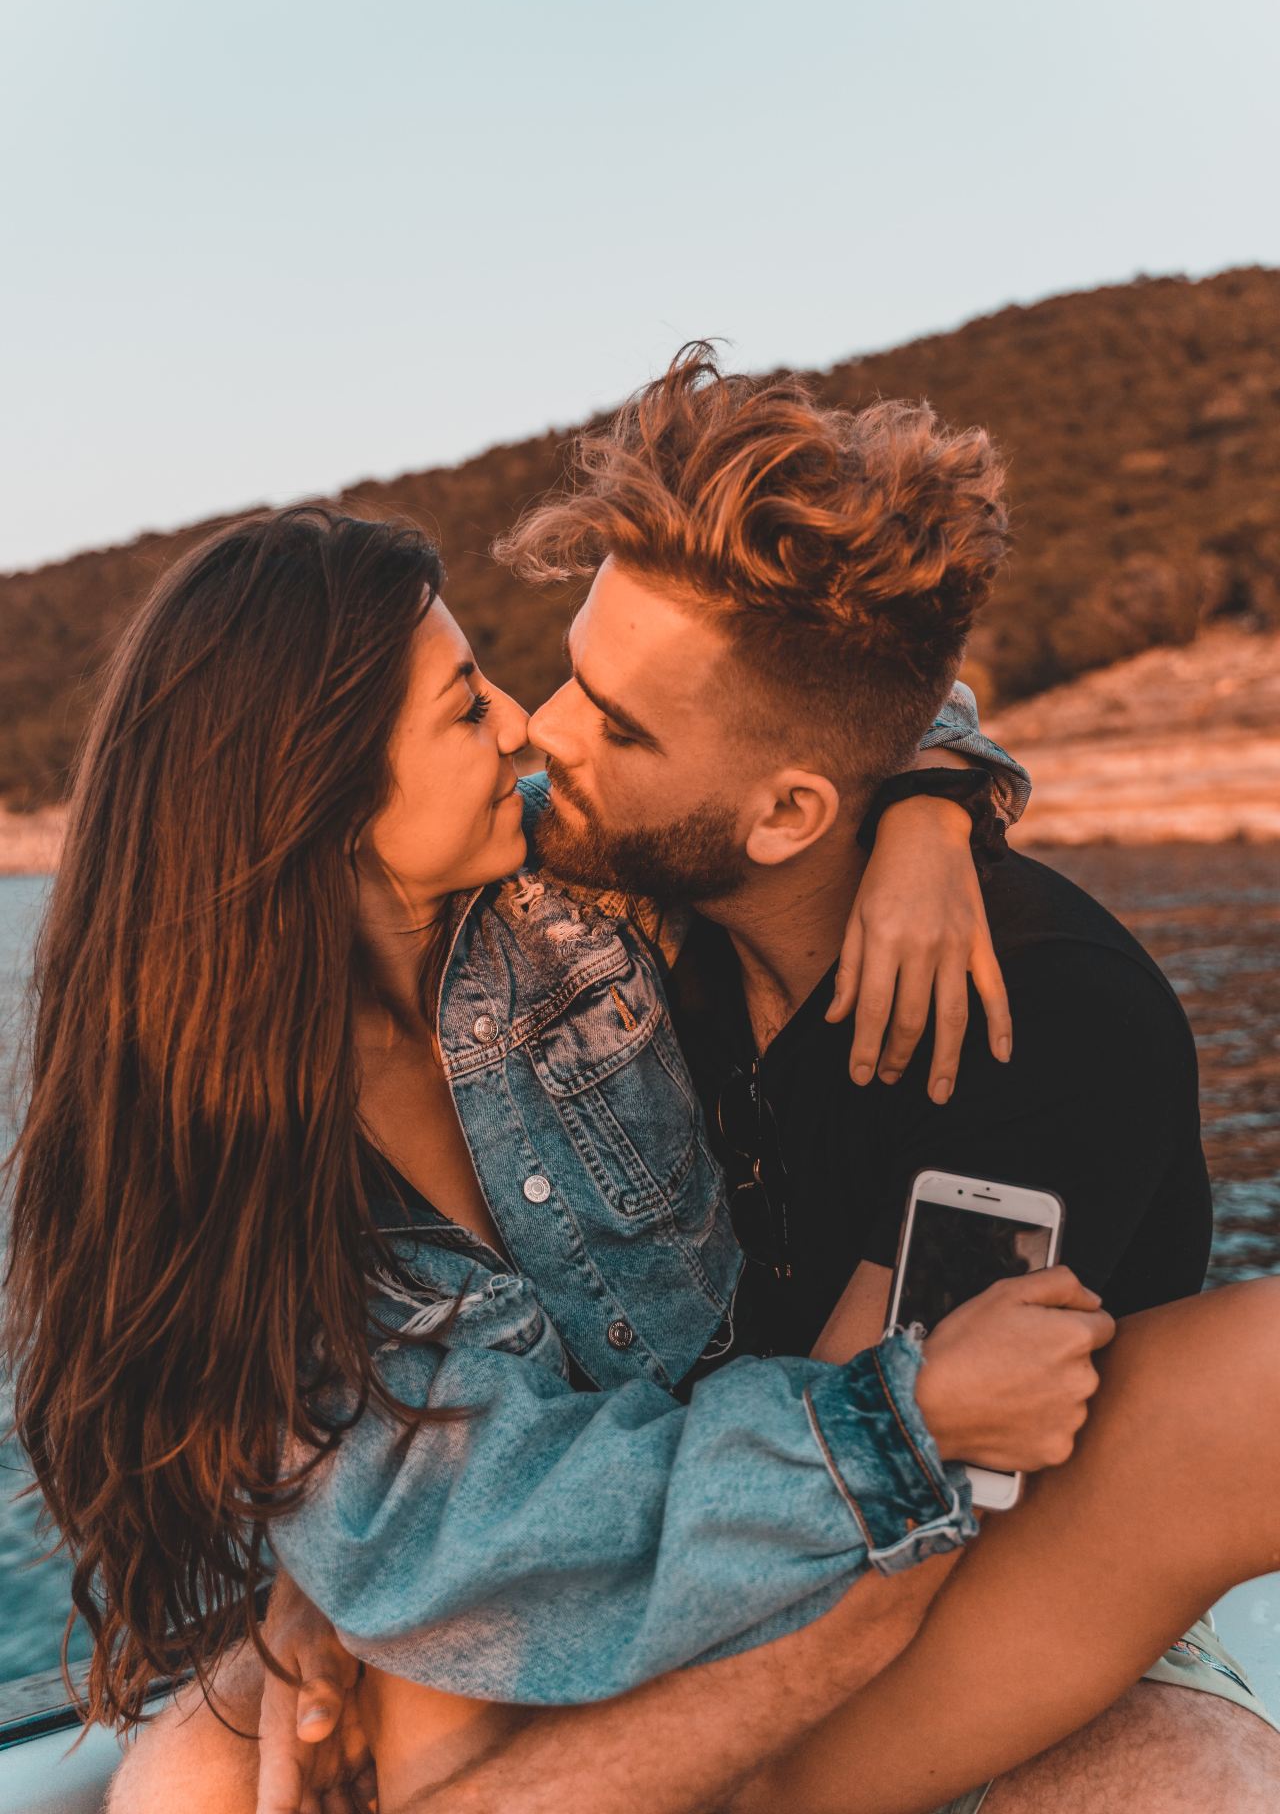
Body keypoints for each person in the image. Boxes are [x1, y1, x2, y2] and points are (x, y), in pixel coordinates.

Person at [246, 351, 1280, 1814]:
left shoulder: (1042, 1027)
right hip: (741, 1525)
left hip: (986, 1558)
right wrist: (932, 787)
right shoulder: (639, 903)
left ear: (787, 813)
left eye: (614, 722)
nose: (544, 732)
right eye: (568, 677)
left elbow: (883, 1517)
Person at [1, 499, 1067, 1807]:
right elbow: (467, 1543)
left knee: (388, 1706)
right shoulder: (237, 1179)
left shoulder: (567, 895)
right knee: (198, 1783)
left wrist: (929, 810)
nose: (521, 723)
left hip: (763, 1527)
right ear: (321, 801)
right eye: (464, 706)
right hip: (603, 1562)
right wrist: (900, 1420)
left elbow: (808, 714)